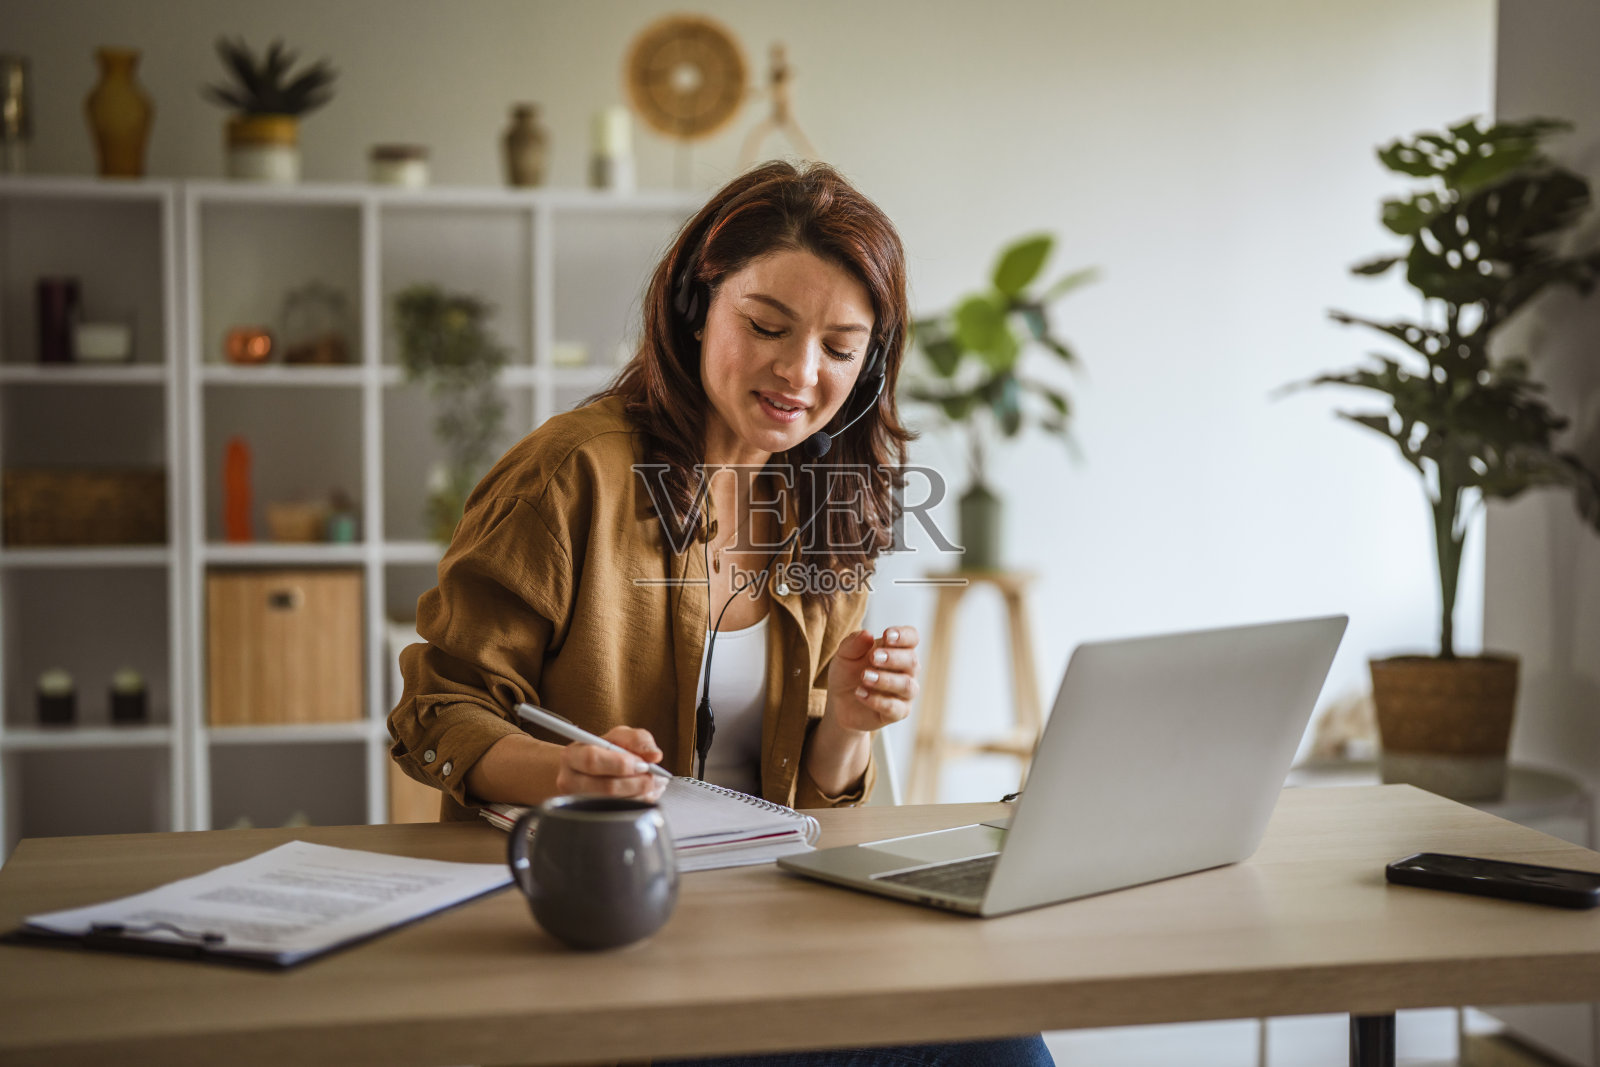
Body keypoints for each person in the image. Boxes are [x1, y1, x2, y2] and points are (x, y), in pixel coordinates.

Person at [389, 161, 1053, 1067]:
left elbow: (811, 798)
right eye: (767, 326)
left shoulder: (824, 501)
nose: (799, 371)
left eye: (840, 346)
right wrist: (565, 774)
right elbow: (437, 711)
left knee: (996, 1029)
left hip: (761, 925)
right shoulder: (571, 472)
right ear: (699, 307)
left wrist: (849, 724)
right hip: (593, 932)